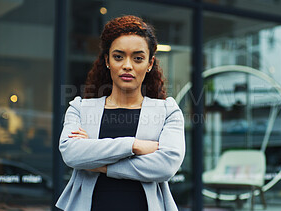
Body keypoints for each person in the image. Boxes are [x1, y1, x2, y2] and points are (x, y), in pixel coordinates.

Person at [55, 15, 185, 211]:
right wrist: (134, 145)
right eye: (118, 56)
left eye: (138, 58)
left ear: (150, 63)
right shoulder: (80, 108)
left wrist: (100, 164)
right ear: (107, 60)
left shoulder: (167, 111)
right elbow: (72, 154)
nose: (127, 65)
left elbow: (166, 166)